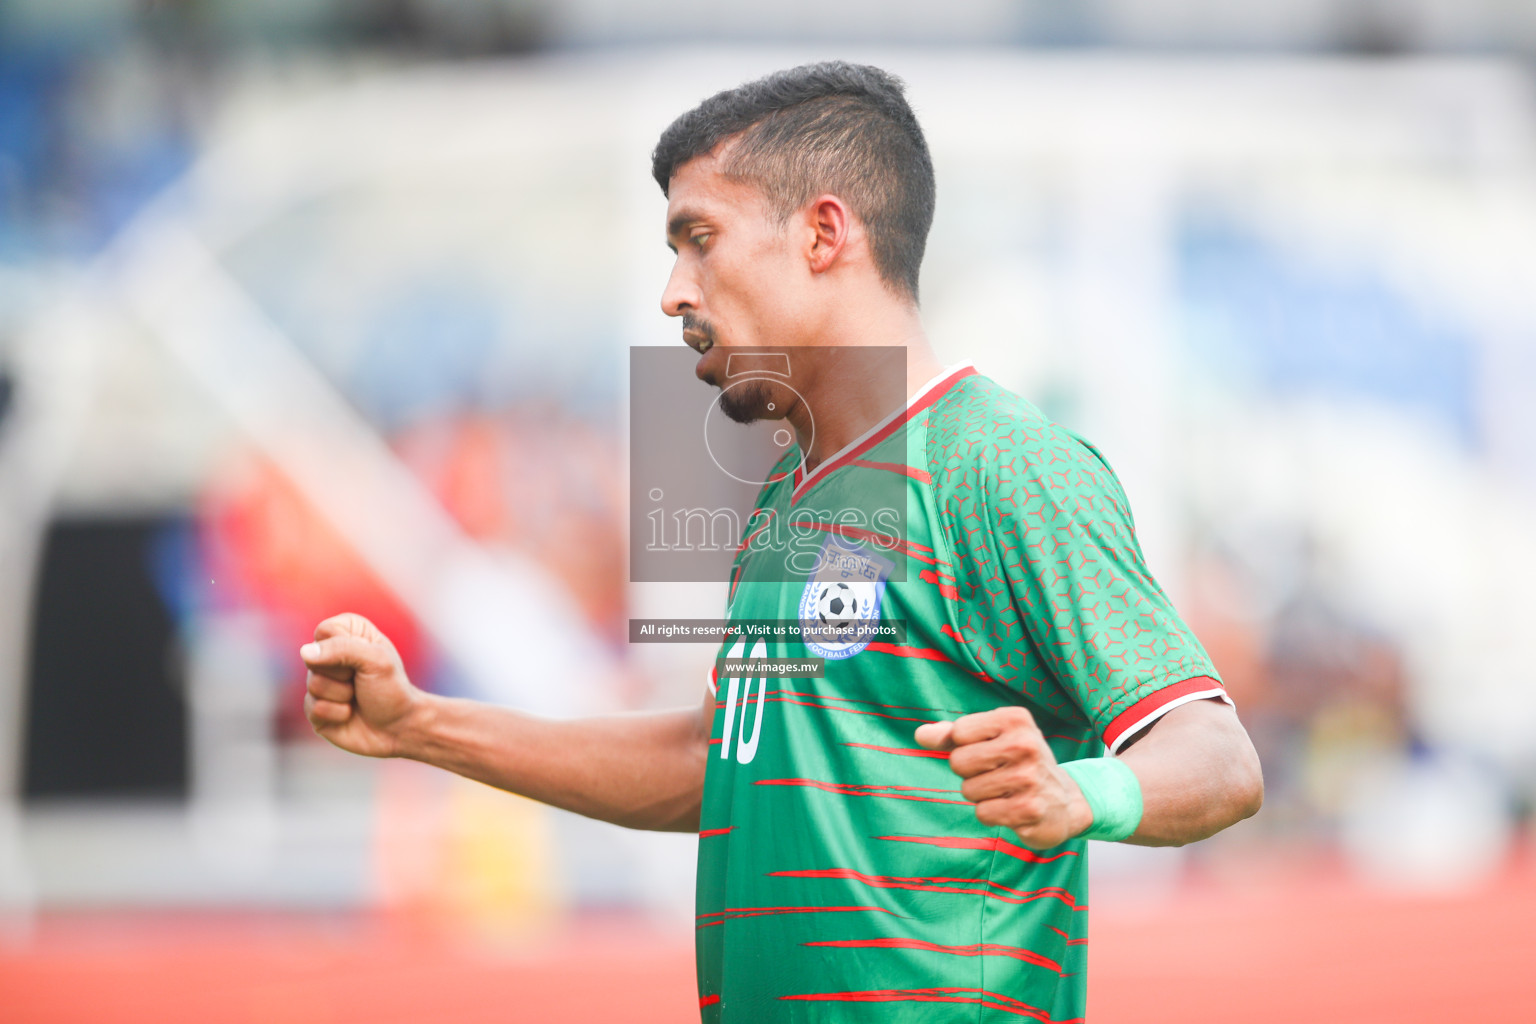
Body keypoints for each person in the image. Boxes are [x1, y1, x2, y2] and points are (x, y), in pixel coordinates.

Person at [301, 61, 1263, 1023]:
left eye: (699, 240)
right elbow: (713, 765)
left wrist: (1082, 794)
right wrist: (417, 726)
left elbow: (1217, 756)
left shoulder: (999, 463)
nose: (674, 292)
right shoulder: (783, 496)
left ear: (824, 234)